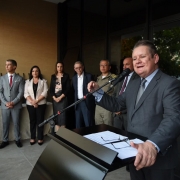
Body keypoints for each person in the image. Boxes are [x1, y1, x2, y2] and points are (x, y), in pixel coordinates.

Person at [88, 40, 180, 180]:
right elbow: (117, 104)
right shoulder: (133, 83)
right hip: (134, 156)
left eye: (142, 57)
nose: (137, 61)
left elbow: (174, 118)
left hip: (160, 160)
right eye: (135, 58)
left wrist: (152, 145)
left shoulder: (170, 84)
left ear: (155, 58)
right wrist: (98, 93)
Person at [0, 59, 24, 148]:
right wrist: (6, 103)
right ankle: (5, 140)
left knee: (16, 123)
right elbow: (0, 92)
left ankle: (17, 139)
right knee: (5, 123)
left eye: (9, 65)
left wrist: (13, 102)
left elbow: (21, 93)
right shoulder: (1, 78)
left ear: (14, 67)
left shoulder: (20, 78)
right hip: (4, 106)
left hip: (16, 105)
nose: (6, 66)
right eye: (6, 64)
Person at [24, 66, 48, 145]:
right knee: (32, 121)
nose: (35, 73)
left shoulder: (43, 81)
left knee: (40, 121)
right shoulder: (27, 81)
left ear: (39, 72)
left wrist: (36, 101)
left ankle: (40, 138)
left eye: (36, 71)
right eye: (33, 71)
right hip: (30, 105)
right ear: (31, 73)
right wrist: (32, 102)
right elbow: (25, 93)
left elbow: (45, 92)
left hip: (41, 104)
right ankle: (32, 137)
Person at [113, 57, 139, 130]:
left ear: (133, 65)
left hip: (128, 115)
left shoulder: (138, 78)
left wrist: (122, 110)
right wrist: (115, 108)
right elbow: (115, 93)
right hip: (117, 114)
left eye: (127, 64)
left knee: (128, 137)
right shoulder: (121, 76)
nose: (124, 67)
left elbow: (136, 99)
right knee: (116, 136)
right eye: (123, 65)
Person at [72, 61, 95, 128]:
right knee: (78, 124)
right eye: (76, 68)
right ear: (74, 69)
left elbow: (92, 91)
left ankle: (89, 137)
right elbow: (74, 91)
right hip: (78, 102)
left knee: (88, 122)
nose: (78, 69)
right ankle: (78, 138)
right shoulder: (74, 78)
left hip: (86, 102)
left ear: (83, 67)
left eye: (80, 67)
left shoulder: (89, 76)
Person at [50, 62, 70, 131]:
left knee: (63, 117)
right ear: (56, 67)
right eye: (58, 66)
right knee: (56, 117)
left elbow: (68, 89)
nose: (59, 68)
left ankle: (62, 136)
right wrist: (55, 98)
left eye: (61, 66)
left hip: (63, 98)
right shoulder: (53, 76)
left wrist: (60, 97)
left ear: (63, 67)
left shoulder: (66, 76)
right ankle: (57, 136)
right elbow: (51, 90)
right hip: (55, 99)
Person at [95, 59, 116, 126]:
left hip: (108, 107)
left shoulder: (113, 78)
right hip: (98, 106)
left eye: (105, 65)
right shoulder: (98, 78)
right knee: (98, 127)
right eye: (101, 65)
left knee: (108, 128)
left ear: (109, 67)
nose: (103, 67)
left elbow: (116, 93)